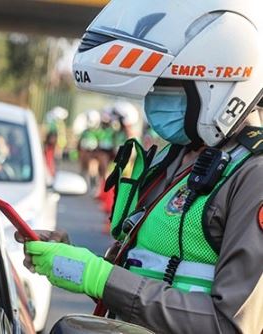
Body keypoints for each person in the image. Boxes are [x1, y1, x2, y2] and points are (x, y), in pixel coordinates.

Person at [16, 1, 263, 333]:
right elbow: (149, 272)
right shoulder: (174, 157)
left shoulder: (253, 174)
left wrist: (99, 277)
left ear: (219, 86)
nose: (154, 101)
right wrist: (73, 260)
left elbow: (230, 325)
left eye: (169, 88)